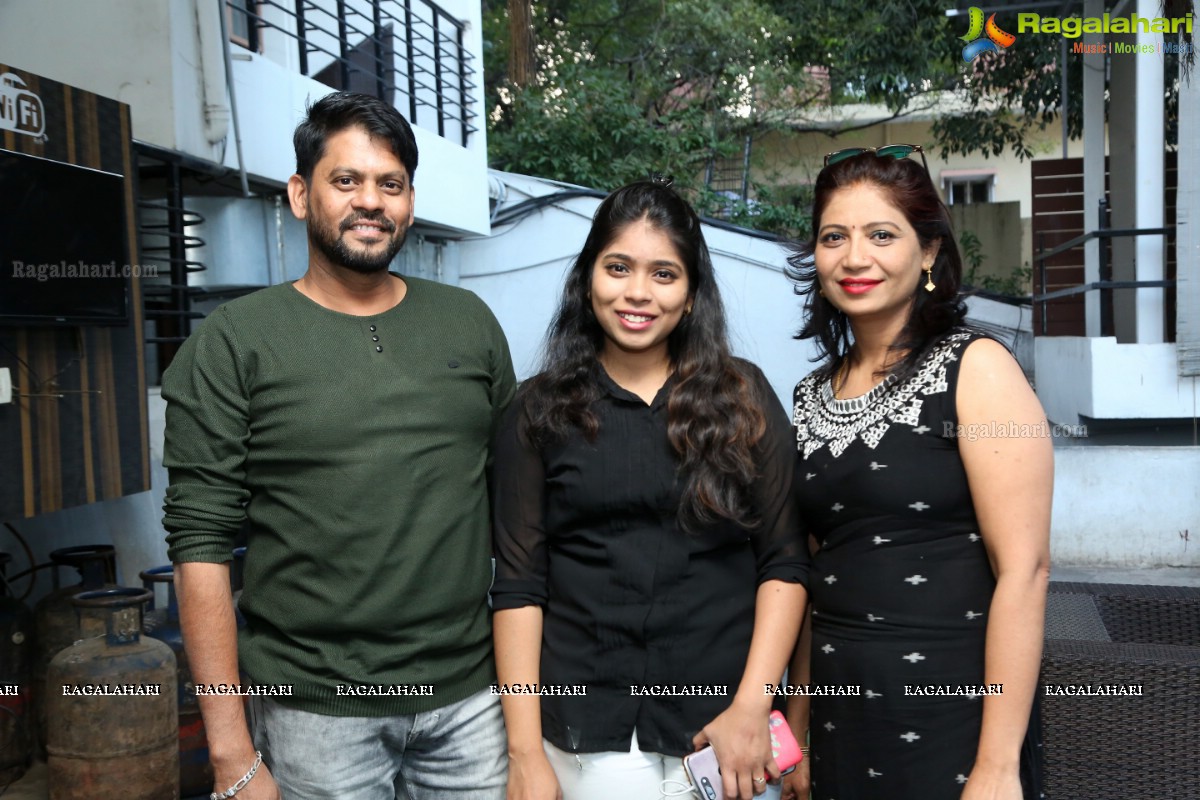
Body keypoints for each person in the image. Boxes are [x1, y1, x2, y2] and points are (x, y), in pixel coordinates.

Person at [161, 91, 516, 800]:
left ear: (411, 201)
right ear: (300, 194)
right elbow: (199, 548)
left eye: (390, 184)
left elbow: (520, 505)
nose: (371, 202)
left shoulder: (469, 322)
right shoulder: (234, 342)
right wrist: (231, 754)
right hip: (314, 714)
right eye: (345, 180)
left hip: (470, 702)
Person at [490, 179, 809, 800]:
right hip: (588, 740)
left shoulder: (745, 399)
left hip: (729, 736)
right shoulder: (537, 411)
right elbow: (519, 588)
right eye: (618, 268)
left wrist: (752, 707)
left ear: (691, 296)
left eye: (664, 274)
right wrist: (525, 753)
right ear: (588, 280)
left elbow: (786, 563)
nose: (638, 293)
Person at [780, 144, 1050, 800]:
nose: (854, 257)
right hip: (847, 718)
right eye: (834, 236)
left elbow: (1026, 571)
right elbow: (818, 573)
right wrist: (798, 729)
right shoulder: (810, 395)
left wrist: (997, 766)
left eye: (881, 234)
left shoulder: (977, 368)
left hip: (953, 720)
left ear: (928, 252)